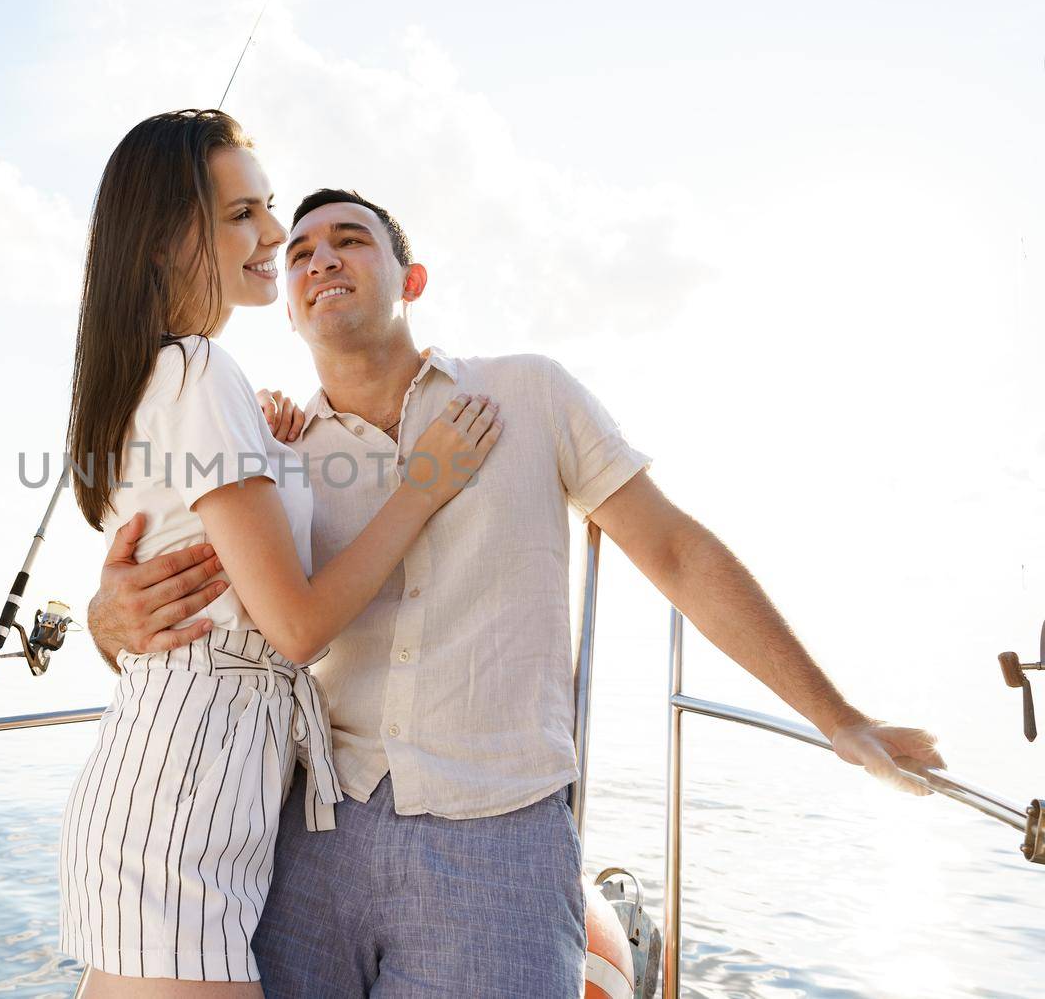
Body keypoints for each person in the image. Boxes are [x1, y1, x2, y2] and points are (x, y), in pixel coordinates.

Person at [83, 187, 948, 997]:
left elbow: (677, 551)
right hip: (307, 835)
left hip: (499, 839)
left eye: (350, 240)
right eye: (301, 249)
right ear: (291, 301)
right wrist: (101, 620)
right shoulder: (278, 449)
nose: (319, 259)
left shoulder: (529, 392)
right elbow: (187, 603)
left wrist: (839, 718)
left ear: (409, 278)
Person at [56, 111, 504, 997]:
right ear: (162, 240)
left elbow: (196, 568)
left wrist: (274, 456)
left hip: (175, 788)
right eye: (241, 215)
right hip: (184, 807)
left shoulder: (168, 378)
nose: (274, 233)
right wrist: (426, 480)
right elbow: (294, 626)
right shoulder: (197, 372)